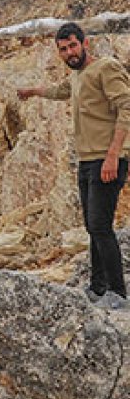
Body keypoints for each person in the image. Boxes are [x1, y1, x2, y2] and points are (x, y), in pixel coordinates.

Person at [18, 22, 130, 308]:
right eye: (63, 49)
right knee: (92, 226)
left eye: (73, 46)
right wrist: (33, 91)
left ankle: (117, 294)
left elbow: (126, 107)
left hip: (106, 159)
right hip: (87, 160)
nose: (69, 52)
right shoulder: (78, 75)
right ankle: (97, 287)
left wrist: (113, 155)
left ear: (85, 43)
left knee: (101, 226)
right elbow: (61, 90)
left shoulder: (106, 68)